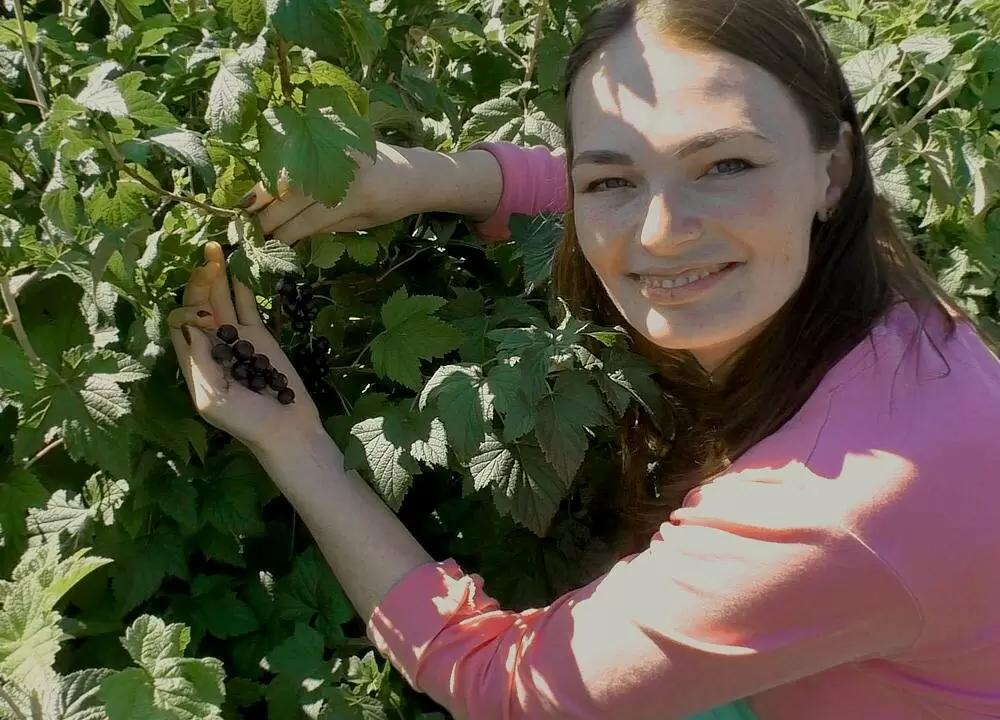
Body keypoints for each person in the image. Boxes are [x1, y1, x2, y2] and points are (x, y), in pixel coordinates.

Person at [168, 0, 1000, 718]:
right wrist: (425, 179)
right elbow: (578, 183)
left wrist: (296, 444)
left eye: (728, 165)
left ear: (834, 170)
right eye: (612, 181)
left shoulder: (829, 513)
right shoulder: (891, 316)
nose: (660, 231)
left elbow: (507, 690)